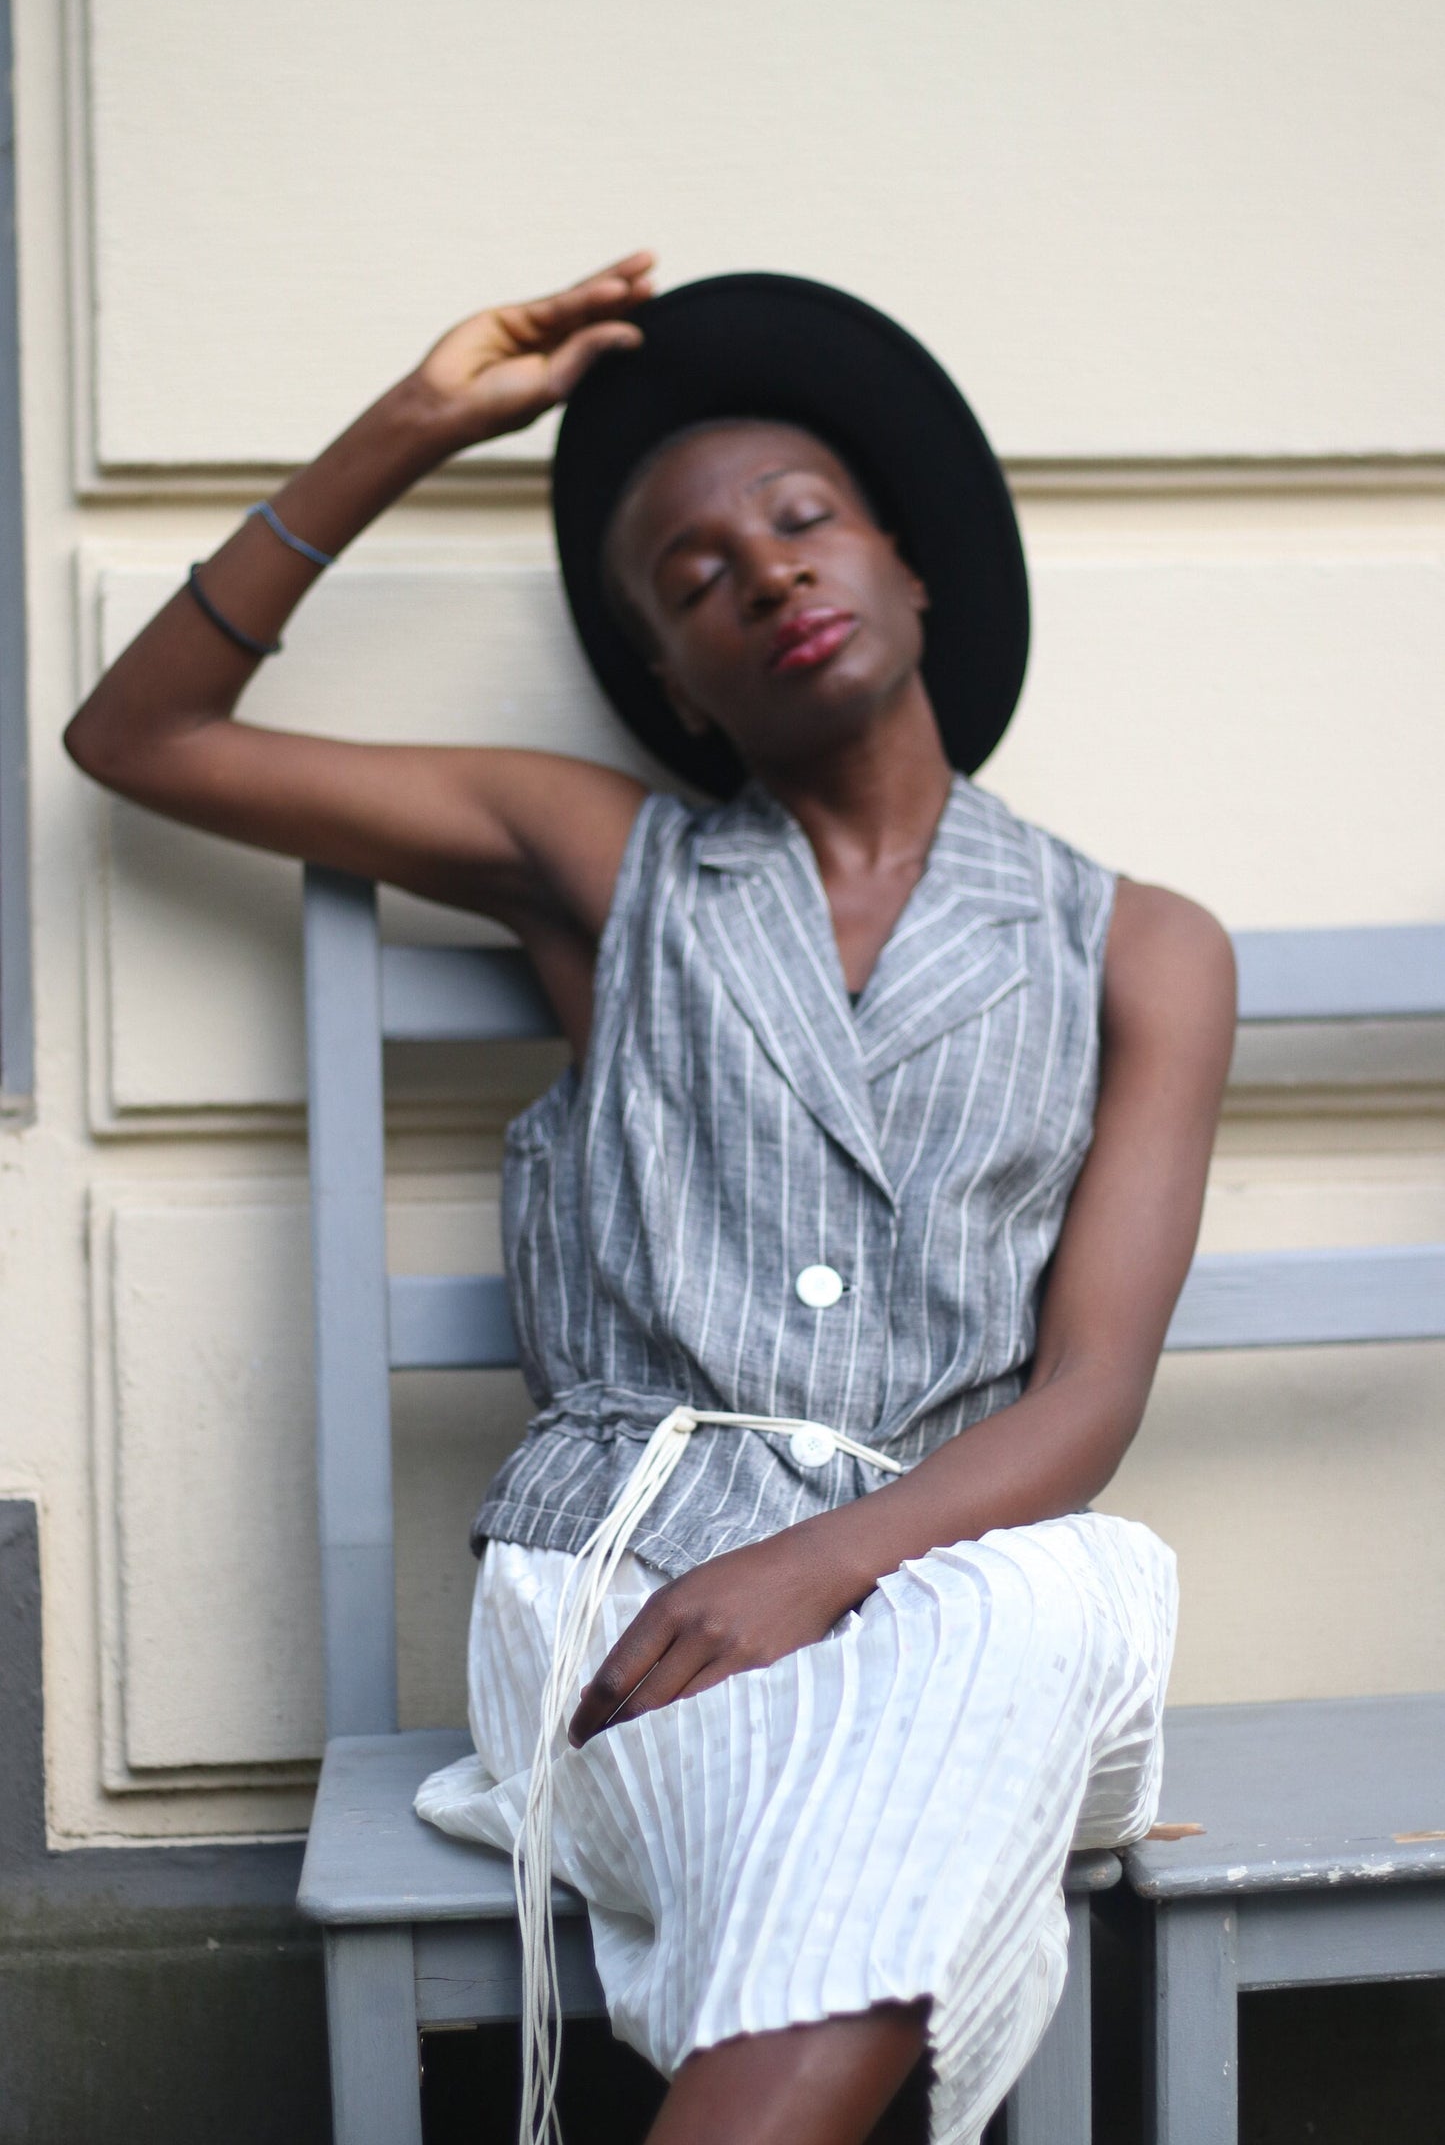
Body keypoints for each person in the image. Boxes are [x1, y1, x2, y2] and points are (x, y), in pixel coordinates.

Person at [65, 251, 1236, 2145]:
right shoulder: (607, 864)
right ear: (671, 688)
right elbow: (143, 740)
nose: (763, 570)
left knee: (1069, 1593)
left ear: (909, 566)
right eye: (691, 581)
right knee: (961, 1730)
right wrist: (412, 428)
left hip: (953, 1561)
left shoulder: (1143, 948)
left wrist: (819, 1567)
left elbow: (1087, 1392)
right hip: (633, 1578)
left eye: (801, 522)